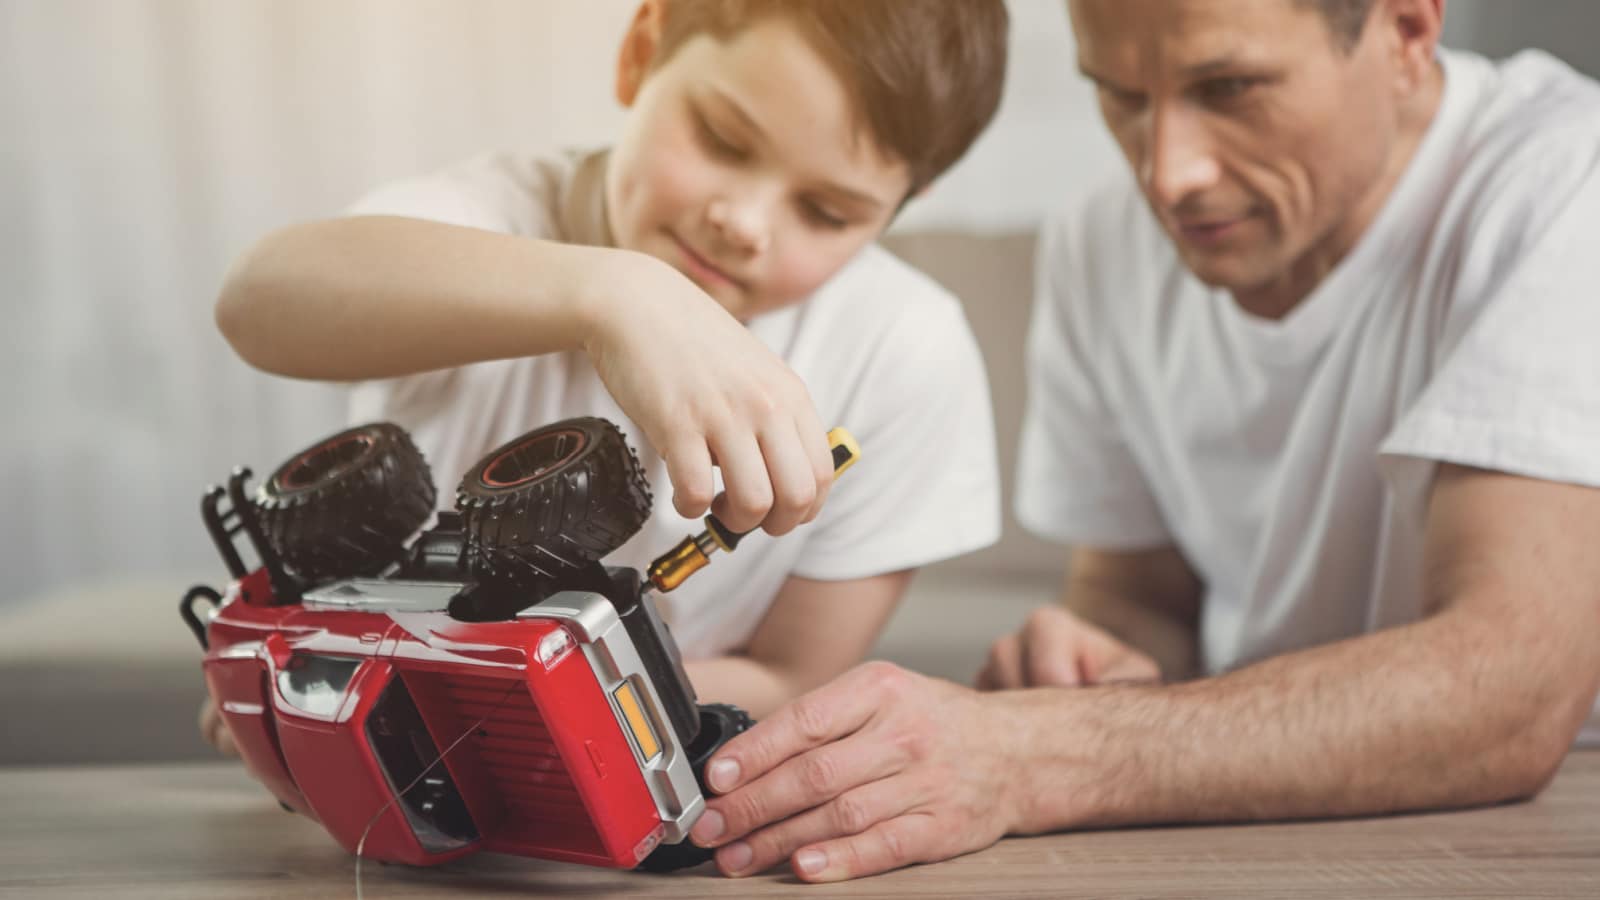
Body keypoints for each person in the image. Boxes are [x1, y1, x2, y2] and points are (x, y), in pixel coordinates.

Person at [683, 0, 1600, 882]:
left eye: (1230, 87)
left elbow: (1509, 695)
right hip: (1251, 828)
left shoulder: (1563, 181)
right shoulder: (1107, 240)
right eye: (1120, 95)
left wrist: (1038, 749)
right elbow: (1137, 595)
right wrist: (1098, 656)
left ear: (1406, 31)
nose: (1167, 174)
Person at [201, 0, 1010, 753]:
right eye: (725, 140)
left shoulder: (905, 348)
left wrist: (483, 703)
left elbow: (794, 678)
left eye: (828, 214)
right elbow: (256, 299)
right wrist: (616, 294)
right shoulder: (488, 217)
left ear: (908, 201)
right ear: (642, 48)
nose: (746, 225)